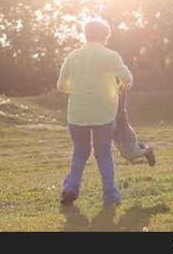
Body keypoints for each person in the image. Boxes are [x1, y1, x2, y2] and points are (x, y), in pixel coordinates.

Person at [57, 18, 133, 206]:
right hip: (103, 114)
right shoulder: (110, 56)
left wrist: (79, 91)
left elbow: (61, 86)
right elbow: (128, 78)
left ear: (86, 34)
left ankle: (70, 189)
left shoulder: (72, 56)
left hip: (77, 114)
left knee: (80, 152)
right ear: (106, 36)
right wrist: (121, 86)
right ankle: (110, 197)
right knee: (103, 153)